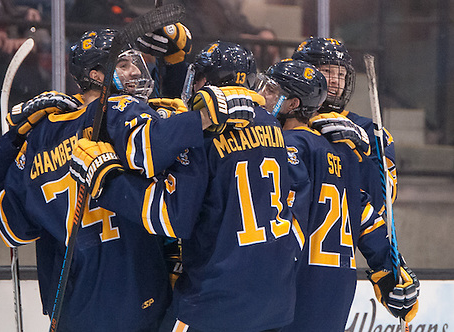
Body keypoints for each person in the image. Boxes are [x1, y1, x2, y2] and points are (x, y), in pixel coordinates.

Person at [0, 27, 213, 331]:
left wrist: (16, 139)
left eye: (136, 63)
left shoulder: (42, 135)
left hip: (73, 305)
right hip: (134, 293)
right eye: (124, 64)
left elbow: (13, 228)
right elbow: (154, 145)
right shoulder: (119, 109)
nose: (136, 71)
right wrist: (200, 117)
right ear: (97, 75)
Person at [77, 40, 305, 331]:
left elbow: (173, 218)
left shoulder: (204, 130)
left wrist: (107, 181)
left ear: (206, 81)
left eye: (196, 77)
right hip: (276, 300)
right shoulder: (273, 127)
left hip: (215, 299)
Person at [255, 58, 419, 331]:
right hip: (335, 293)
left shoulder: (287, 145)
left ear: (294, 102)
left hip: (291, 287)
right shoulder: (341, 151)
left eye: (271, 90)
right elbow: (365, 211)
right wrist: (390, 269)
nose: (262, 96)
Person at [291, 36, 397, 218]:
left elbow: (383, 201)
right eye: (327, 71)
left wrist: (359, 153)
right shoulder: (280, 122)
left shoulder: (370, 132)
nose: (336, 81)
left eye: (341, 74)